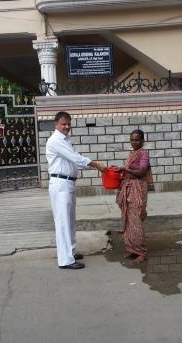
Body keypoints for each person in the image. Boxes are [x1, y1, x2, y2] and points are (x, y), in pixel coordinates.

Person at [46, 111, 106, 270]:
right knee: (63, 222)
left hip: (68, 184)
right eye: (63, 124)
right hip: (60, 185)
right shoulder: (55, 141)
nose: (66, 127)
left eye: (68, 124)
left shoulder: (66, 140)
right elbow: (76, 158)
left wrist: (87, 163)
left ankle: (70, 252)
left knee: (70, 220)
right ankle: (65, 260)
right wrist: (95, 164)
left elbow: (75, 159)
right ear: (56, 124)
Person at [115, 129, 152, 265]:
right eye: (132, 140)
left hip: (137, 188)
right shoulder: (132, 153)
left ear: (143, 141)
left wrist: (126, 169)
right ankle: (132, 248)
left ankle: (141, 252)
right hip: (128, 188)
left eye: (137, 140)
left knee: (136, 219)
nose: (134, 142)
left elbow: (142, 171)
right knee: (128, 219)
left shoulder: (143, 154)